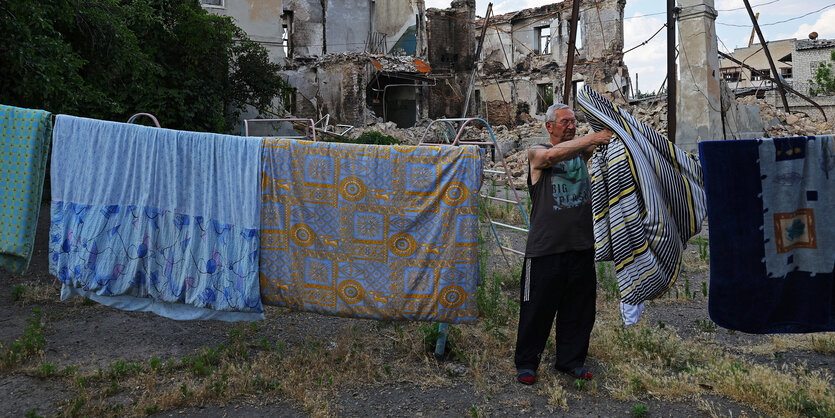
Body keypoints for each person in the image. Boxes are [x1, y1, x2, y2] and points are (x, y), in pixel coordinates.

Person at [515, 103, 612, 385]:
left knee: (579, 310)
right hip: (545, 250)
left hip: (581, 247)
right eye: (564, 122)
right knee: (536, 310)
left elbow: (603, 143)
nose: (571, 126)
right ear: (549, 126)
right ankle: (526, 363)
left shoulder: (582, 153)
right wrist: (593, 138)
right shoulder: (537, 152)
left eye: (573, 122)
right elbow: (549, 157)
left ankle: (571, 361)